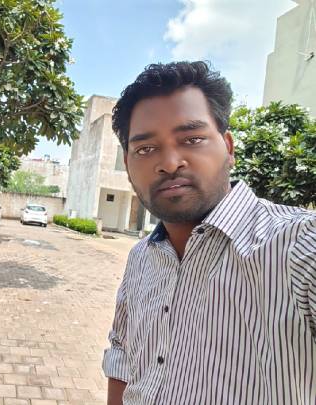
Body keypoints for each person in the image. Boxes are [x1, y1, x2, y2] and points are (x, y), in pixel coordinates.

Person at [102, 61, 315, 405]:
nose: (169, 162)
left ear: (228, 148)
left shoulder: (299, 247)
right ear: (127, 165)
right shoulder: (141, 257)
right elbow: (122, 356)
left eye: (192, 139)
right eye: (145, 149)